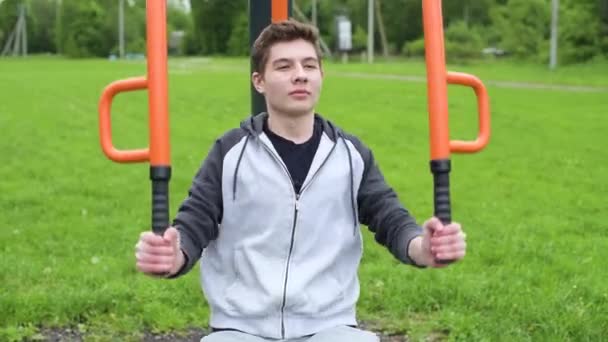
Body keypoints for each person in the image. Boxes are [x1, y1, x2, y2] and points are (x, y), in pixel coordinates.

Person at [134, 20, 466, 342]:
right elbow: (194, 224)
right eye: (283, 67)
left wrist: (425, 248)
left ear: (321, 75)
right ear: (259, 81)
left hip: (330, 327)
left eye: (309, 65)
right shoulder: (230, 152)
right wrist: (170, 257)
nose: (300, 75)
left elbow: (391, 218)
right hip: (239, 329)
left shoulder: (350, 155)